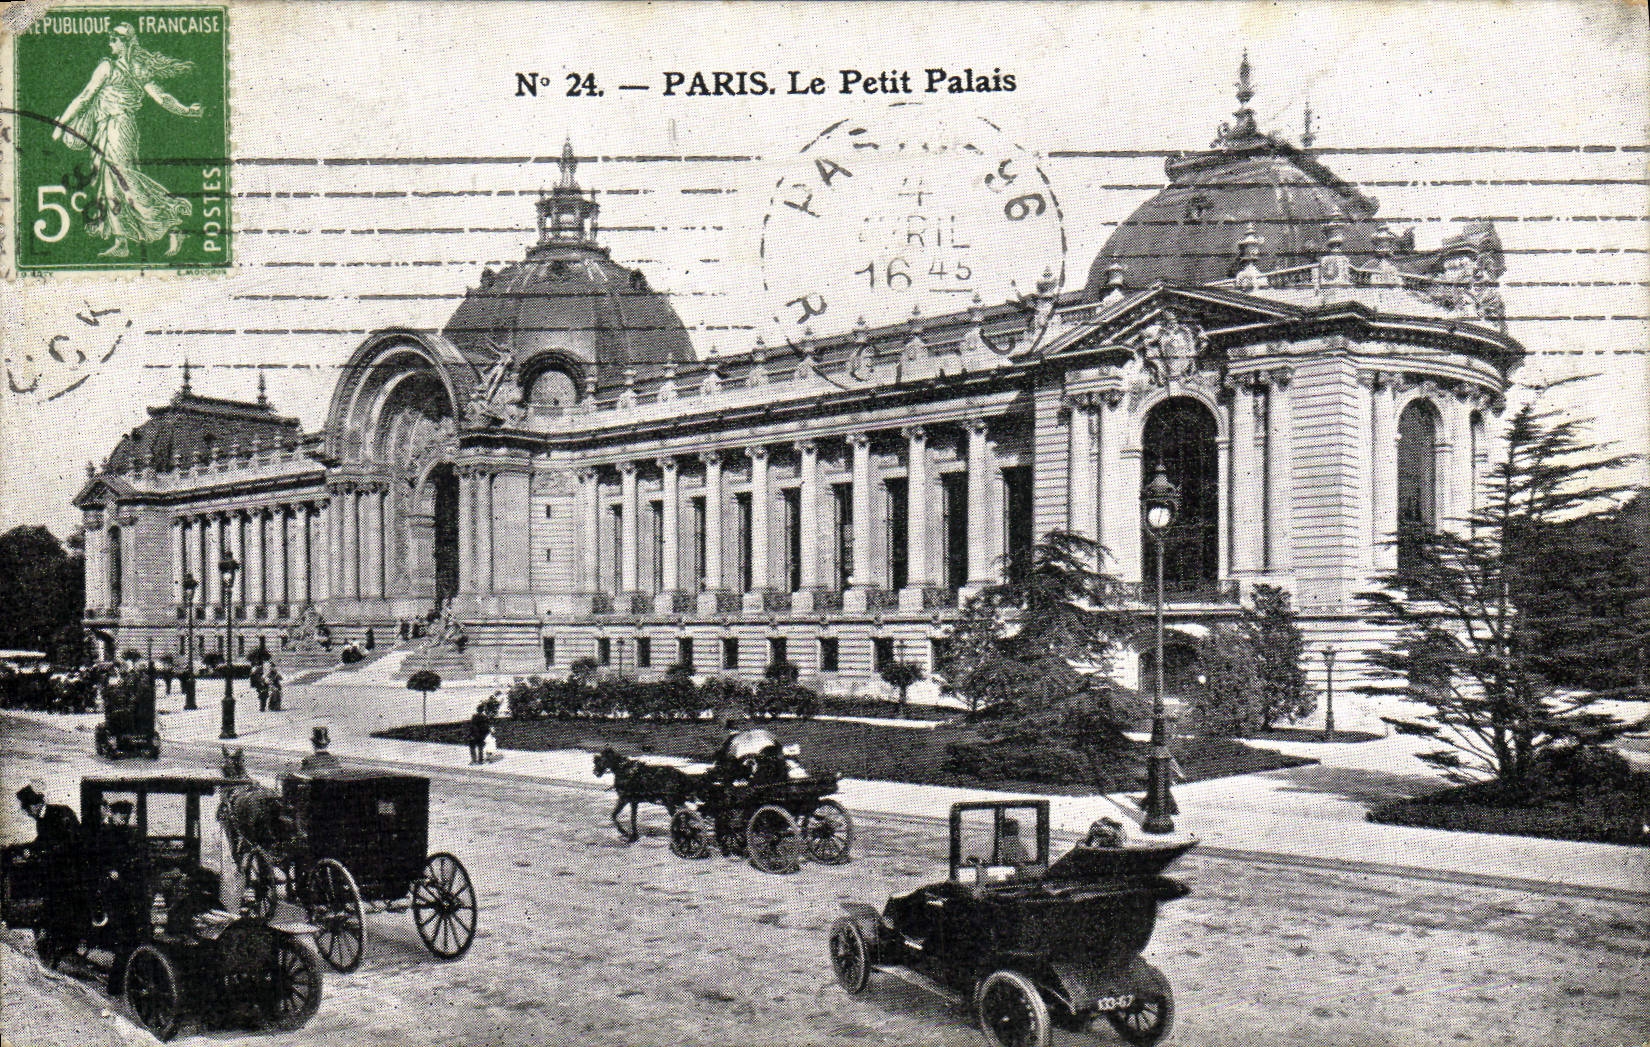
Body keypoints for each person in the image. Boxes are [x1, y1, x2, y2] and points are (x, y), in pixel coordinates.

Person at [51, 23, 203, 258]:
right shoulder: (137, 68)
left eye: (114, 40)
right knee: (110, 183)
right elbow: (162, 98)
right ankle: (121, 241)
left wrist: (61, 125)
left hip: (117, 127)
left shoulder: (108, 67)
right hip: (111, 128)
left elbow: (84, 97)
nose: (110, 44)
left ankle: (172, 220)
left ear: (125, 43)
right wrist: (186, 110)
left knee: (124, 179)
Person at [16, 784, 79, 850]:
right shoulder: (40, 821)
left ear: (34, 806)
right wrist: (22, 847)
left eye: (28, 810)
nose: (28, 814)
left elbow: (70, 837)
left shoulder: (61, 811)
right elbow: (41, 841)